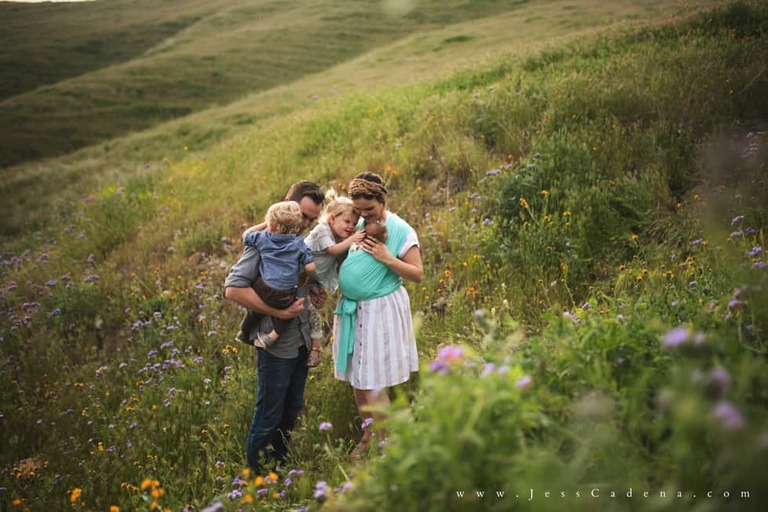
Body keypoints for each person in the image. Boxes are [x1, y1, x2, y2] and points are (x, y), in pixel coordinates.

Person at [224, 180, 326, 473]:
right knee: (269, 412)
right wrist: (276, 312)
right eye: (303, 216)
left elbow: (298, 282)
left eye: (311, 219)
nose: (306, 224)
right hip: (276, 346)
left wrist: (314, 291)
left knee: (291, 408)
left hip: (301, 341)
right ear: (288, 204)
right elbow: (233, 289)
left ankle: (280, 468)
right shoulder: (264, 243)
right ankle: (257, 475)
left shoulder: (297, 242)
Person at [332, 171, 423, 459]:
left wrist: (387, 258)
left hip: (380, 309)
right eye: (359, 210)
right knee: (359, 378)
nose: (363, 216)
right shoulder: (358, 223)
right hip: (355, 310)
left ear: (382, 200)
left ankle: (386, 443)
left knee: (373, 377)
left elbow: (417, 274)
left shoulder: (400, 229)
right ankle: (370, 433)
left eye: (369, 209)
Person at [237, 201, 316, 349]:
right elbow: (311, 267)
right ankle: (272, 337)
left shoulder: (263, 237)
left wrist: (265, 224)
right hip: (284, 293)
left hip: (262, 288)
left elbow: (246, 235)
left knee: (254, 311)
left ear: (271, 224)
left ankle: (244, 332)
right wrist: (308, 275)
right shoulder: (299, 243)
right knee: (293, 308)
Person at [302, 192, 366, 362]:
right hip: (298, 272)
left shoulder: (340, 236)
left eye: (353, 223)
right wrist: (353, 239)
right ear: (331, 218)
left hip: (313, 279)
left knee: (314, 309)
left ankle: (315, 348)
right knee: (305, 307)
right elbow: (332, 251)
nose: (351, 226)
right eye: (346, 221)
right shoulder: (322, 230)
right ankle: (315, 347)